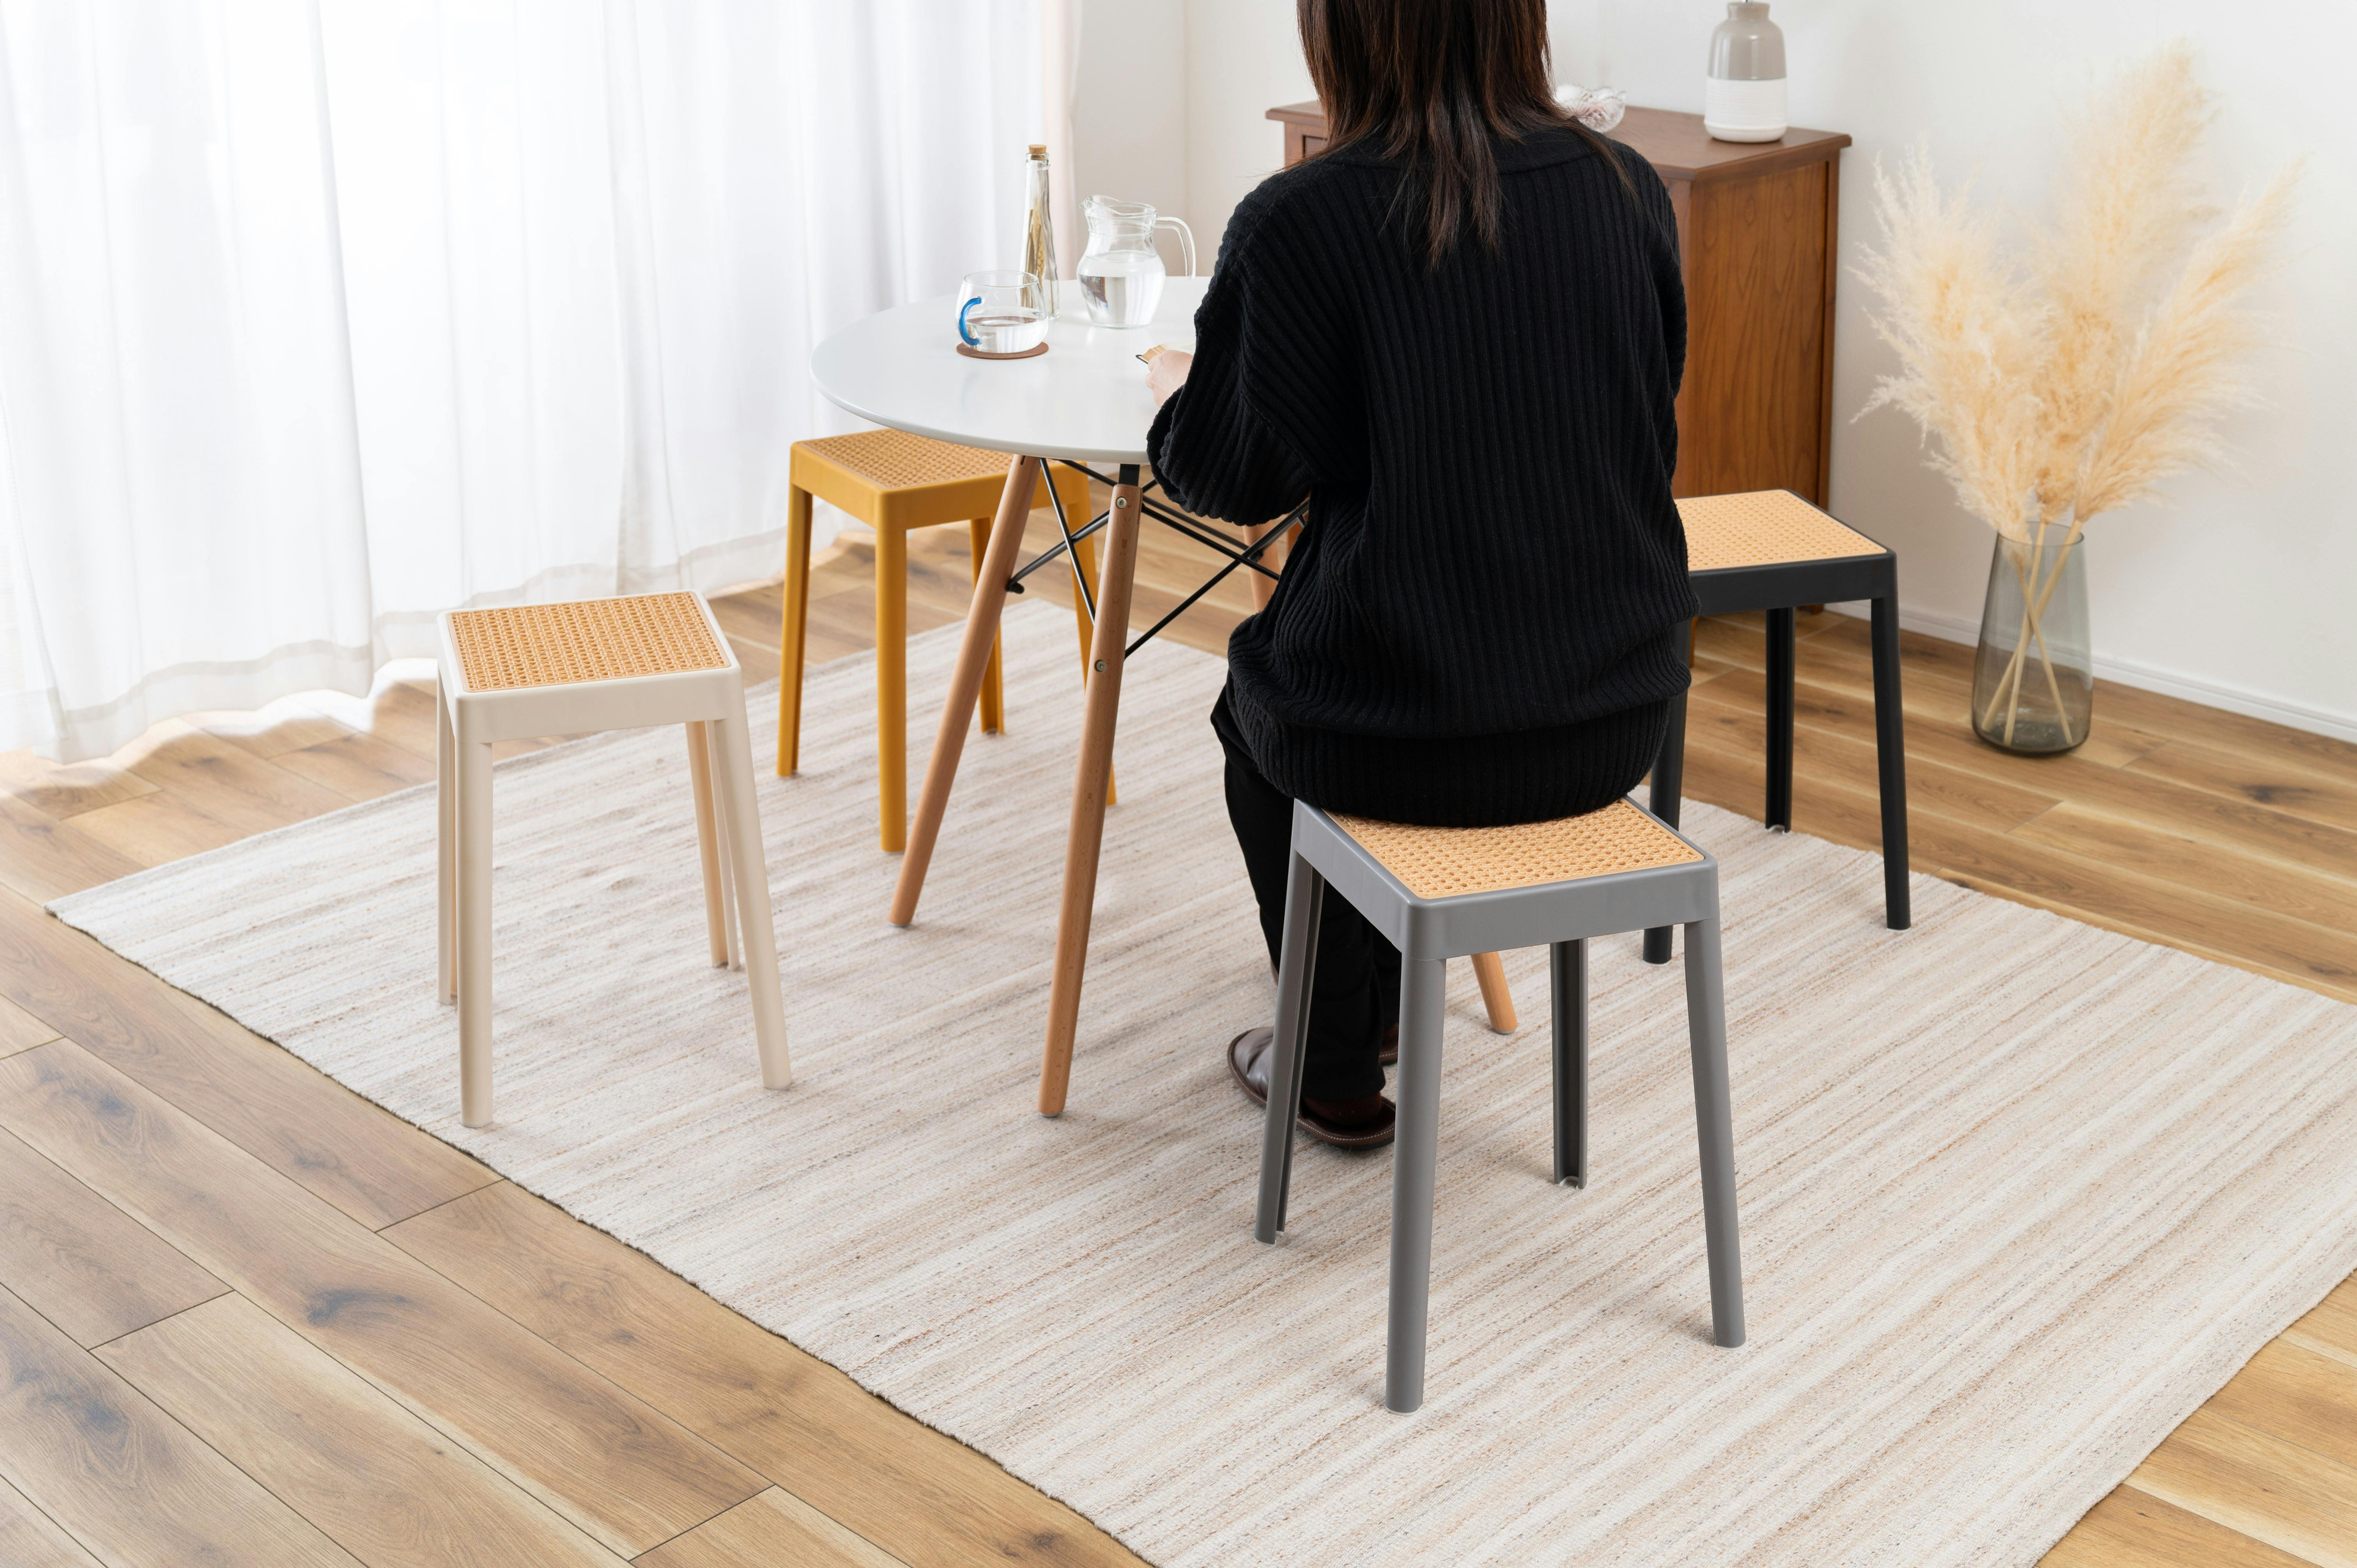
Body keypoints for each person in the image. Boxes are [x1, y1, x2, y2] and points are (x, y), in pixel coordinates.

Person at [1142, 0, 1695, 1149]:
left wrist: (1178, 396)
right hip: (1616, 716)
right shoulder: (1628, 188)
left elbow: (1229, 476)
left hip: (1397, 733)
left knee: (1262, 708)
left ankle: (1334, 1067)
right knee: (1336, 680)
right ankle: (1381, 1008)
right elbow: (1645, 413)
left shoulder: (1303, 217)